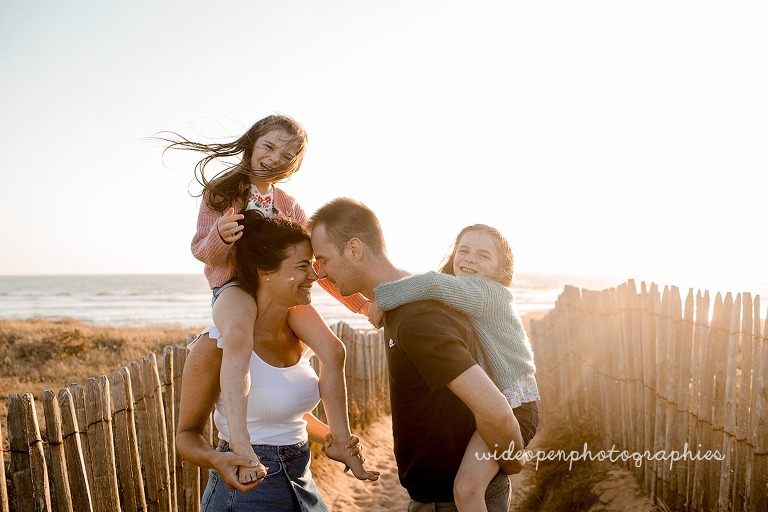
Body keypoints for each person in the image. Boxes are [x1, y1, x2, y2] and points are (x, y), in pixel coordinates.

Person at [158, 114, 371, 482]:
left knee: (334, 349)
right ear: (252, 143)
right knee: (238, 337)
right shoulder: (223, 193)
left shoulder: (289, 206)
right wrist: (221, 237)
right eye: (269, 146)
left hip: (283, 290)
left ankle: (339, 439)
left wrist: (363, 304)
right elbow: (202, 251)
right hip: (234, 287)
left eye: (287, 154)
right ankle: (241, 442)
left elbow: (313, 266)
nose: (275, 157)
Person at [308, 198, 528, 512]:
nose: (321, 273)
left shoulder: (417, 318)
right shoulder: (404, 307)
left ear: (354, 249)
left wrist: (514, 459)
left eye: (324, 260)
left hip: (452, 503)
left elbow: (496, 410)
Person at [176, 214, 379, 512]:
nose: (314, 275)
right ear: (264, 271)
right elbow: (186, 435)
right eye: (301, 266)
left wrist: (329, 438)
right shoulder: (216, 345)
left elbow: (281, 412)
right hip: (246, 493)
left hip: (302, 483)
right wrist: (217, 460)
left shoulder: (301, 338)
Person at [370, 224, 540, 512]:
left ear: (501, 271)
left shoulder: (486, 292)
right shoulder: (464, 295)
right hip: (498, 402)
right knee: (467, 488)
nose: (471, 258)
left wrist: (380, 301)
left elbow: (431, 284)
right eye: (464, 250)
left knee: (467, 489)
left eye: (484, 255)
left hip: (516, 406)